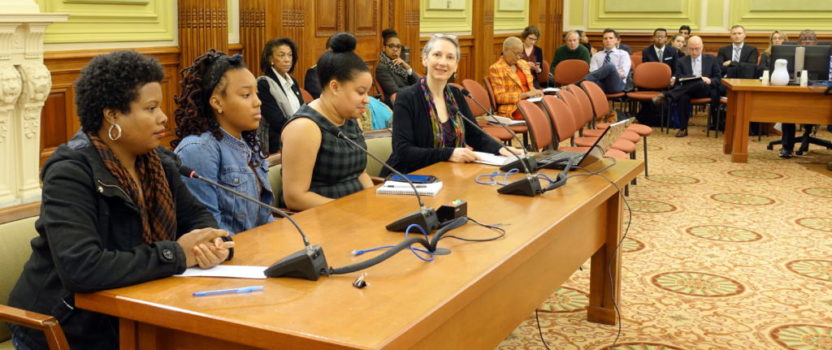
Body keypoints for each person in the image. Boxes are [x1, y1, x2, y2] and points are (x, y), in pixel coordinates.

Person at [8, 50, 233, 350]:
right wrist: (177, 254)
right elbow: (82, 269)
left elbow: (199, 220)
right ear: (112, 114)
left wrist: (211, 247)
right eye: (150, 108)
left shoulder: (159, 163)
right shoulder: (70, 172)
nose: (163, 117)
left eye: (160, 106)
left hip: (137, 313)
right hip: (64, 329)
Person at [384, 34, 521, 175]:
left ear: (455, 65)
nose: (443, 62)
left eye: (450, 57)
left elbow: (475, 135)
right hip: (409, 178)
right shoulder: (407, 97)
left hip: (447, 174)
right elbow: (403, 151)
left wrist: (502, 149)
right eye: (437, 54)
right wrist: (449, 154)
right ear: (425, 59)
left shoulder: (456, 95)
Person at [172, 50, 275, 234]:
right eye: (246, 95)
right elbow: (209, 231)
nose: (258, 102)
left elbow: (263, 217)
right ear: (217, 102)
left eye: (256, 93)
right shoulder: (198, 150)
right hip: (229, 257)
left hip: (259, 249)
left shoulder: (247, 141)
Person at [281, 33, 374, 211]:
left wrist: (374, 204)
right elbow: (295, 197)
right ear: (335, 87)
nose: (367, 100)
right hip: (323, 223)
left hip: (357, 217)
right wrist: (349, 211)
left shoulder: (350, 118)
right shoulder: (305, 127)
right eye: (361, 92)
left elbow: (360, 174)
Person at [651, 36, 721, 137]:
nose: (694, 52)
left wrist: (709, 80)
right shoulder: (682, 61)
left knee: (700, 82)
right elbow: (679, 78)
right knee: (683, 97)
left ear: (702, 47)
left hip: (705, 89)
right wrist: (693, 78)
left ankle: (668, 95)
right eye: (691, 49)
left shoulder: (711, 59)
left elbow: (718, 78)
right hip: (688, 91)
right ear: (687, 48)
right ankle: (683, 128)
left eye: (697, 48)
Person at [257, 38, 304, 153]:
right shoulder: (264, 84)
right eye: (282, 55)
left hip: (299, 134)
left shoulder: (292, 81)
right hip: (277, 142)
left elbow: (304, 110)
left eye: (290, 55)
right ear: (270, 59)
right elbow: (277, 121)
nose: (287, 60)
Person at [779, 30, 819, 159]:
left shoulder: (827, 54)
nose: (807, 41)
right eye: (804, 39)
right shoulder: (789, 54)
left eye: (810, 39)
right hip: (794, 90)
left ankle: (807, 135)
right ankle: (787, 147)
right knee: (787, 111)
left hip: (818, 93)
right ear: (798, 42)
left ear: (816, 42)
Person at [488, 36, 543, 119]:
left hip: (531, 102)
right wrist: (525, 95)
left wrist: (536, 92)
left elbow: (530, 87)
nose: (518, 57)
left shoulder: (523, 64)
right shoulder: (496, 68)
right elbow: (500, 97)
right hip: (514, 108)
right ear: (505, 50)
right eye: (516, 53)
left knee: (552, 109)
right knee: (541, 116)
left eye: (520, 54)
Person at [376, 28, 419, 102]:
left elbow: (418, 82)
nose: (395, 49)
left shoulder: (400, 63)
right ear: (384, 47)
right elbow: (394, 91)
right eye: (391, 46)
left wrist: (408, 68)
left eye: (398, 46)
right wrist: (416, 90)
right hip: (396, 102)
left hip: (408, 98)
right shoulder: (382, 67)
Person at [584, 28, 631, 94]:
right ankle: (581, 84)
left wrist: (608, 72)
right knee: (591, 81)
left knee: (610, 66)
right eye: (605, 38)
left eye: (611, 38)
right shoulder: (596, 56)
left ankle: (579, 83)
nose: (608, 40)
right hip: (600, 85)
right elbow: (593, 73)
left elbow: (623, 73)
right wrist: (614, 71)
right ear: (602, 41)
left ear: (616, 40)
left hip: (616, 85)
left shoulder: (623, 54)